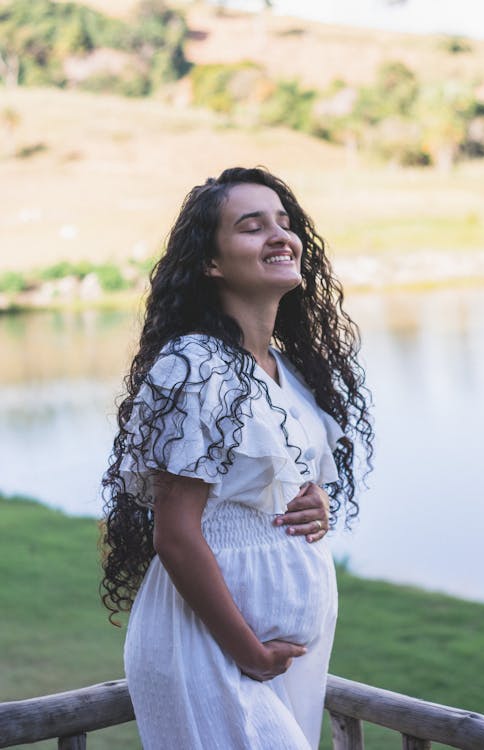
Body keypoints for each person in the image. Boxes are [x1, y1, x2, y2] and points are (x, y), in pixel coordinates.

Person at [100, 166, 372, 750]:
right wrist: (247, 649)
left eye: (285, 222)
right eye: (252, 227)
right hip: (214, 646)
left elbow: (269, 477)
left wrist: (314, 499)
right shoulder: (193, 366)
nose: (280, 235)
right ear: (211, 262)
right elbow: (174, 534)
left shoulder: (285, 366)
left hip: (283, 653)